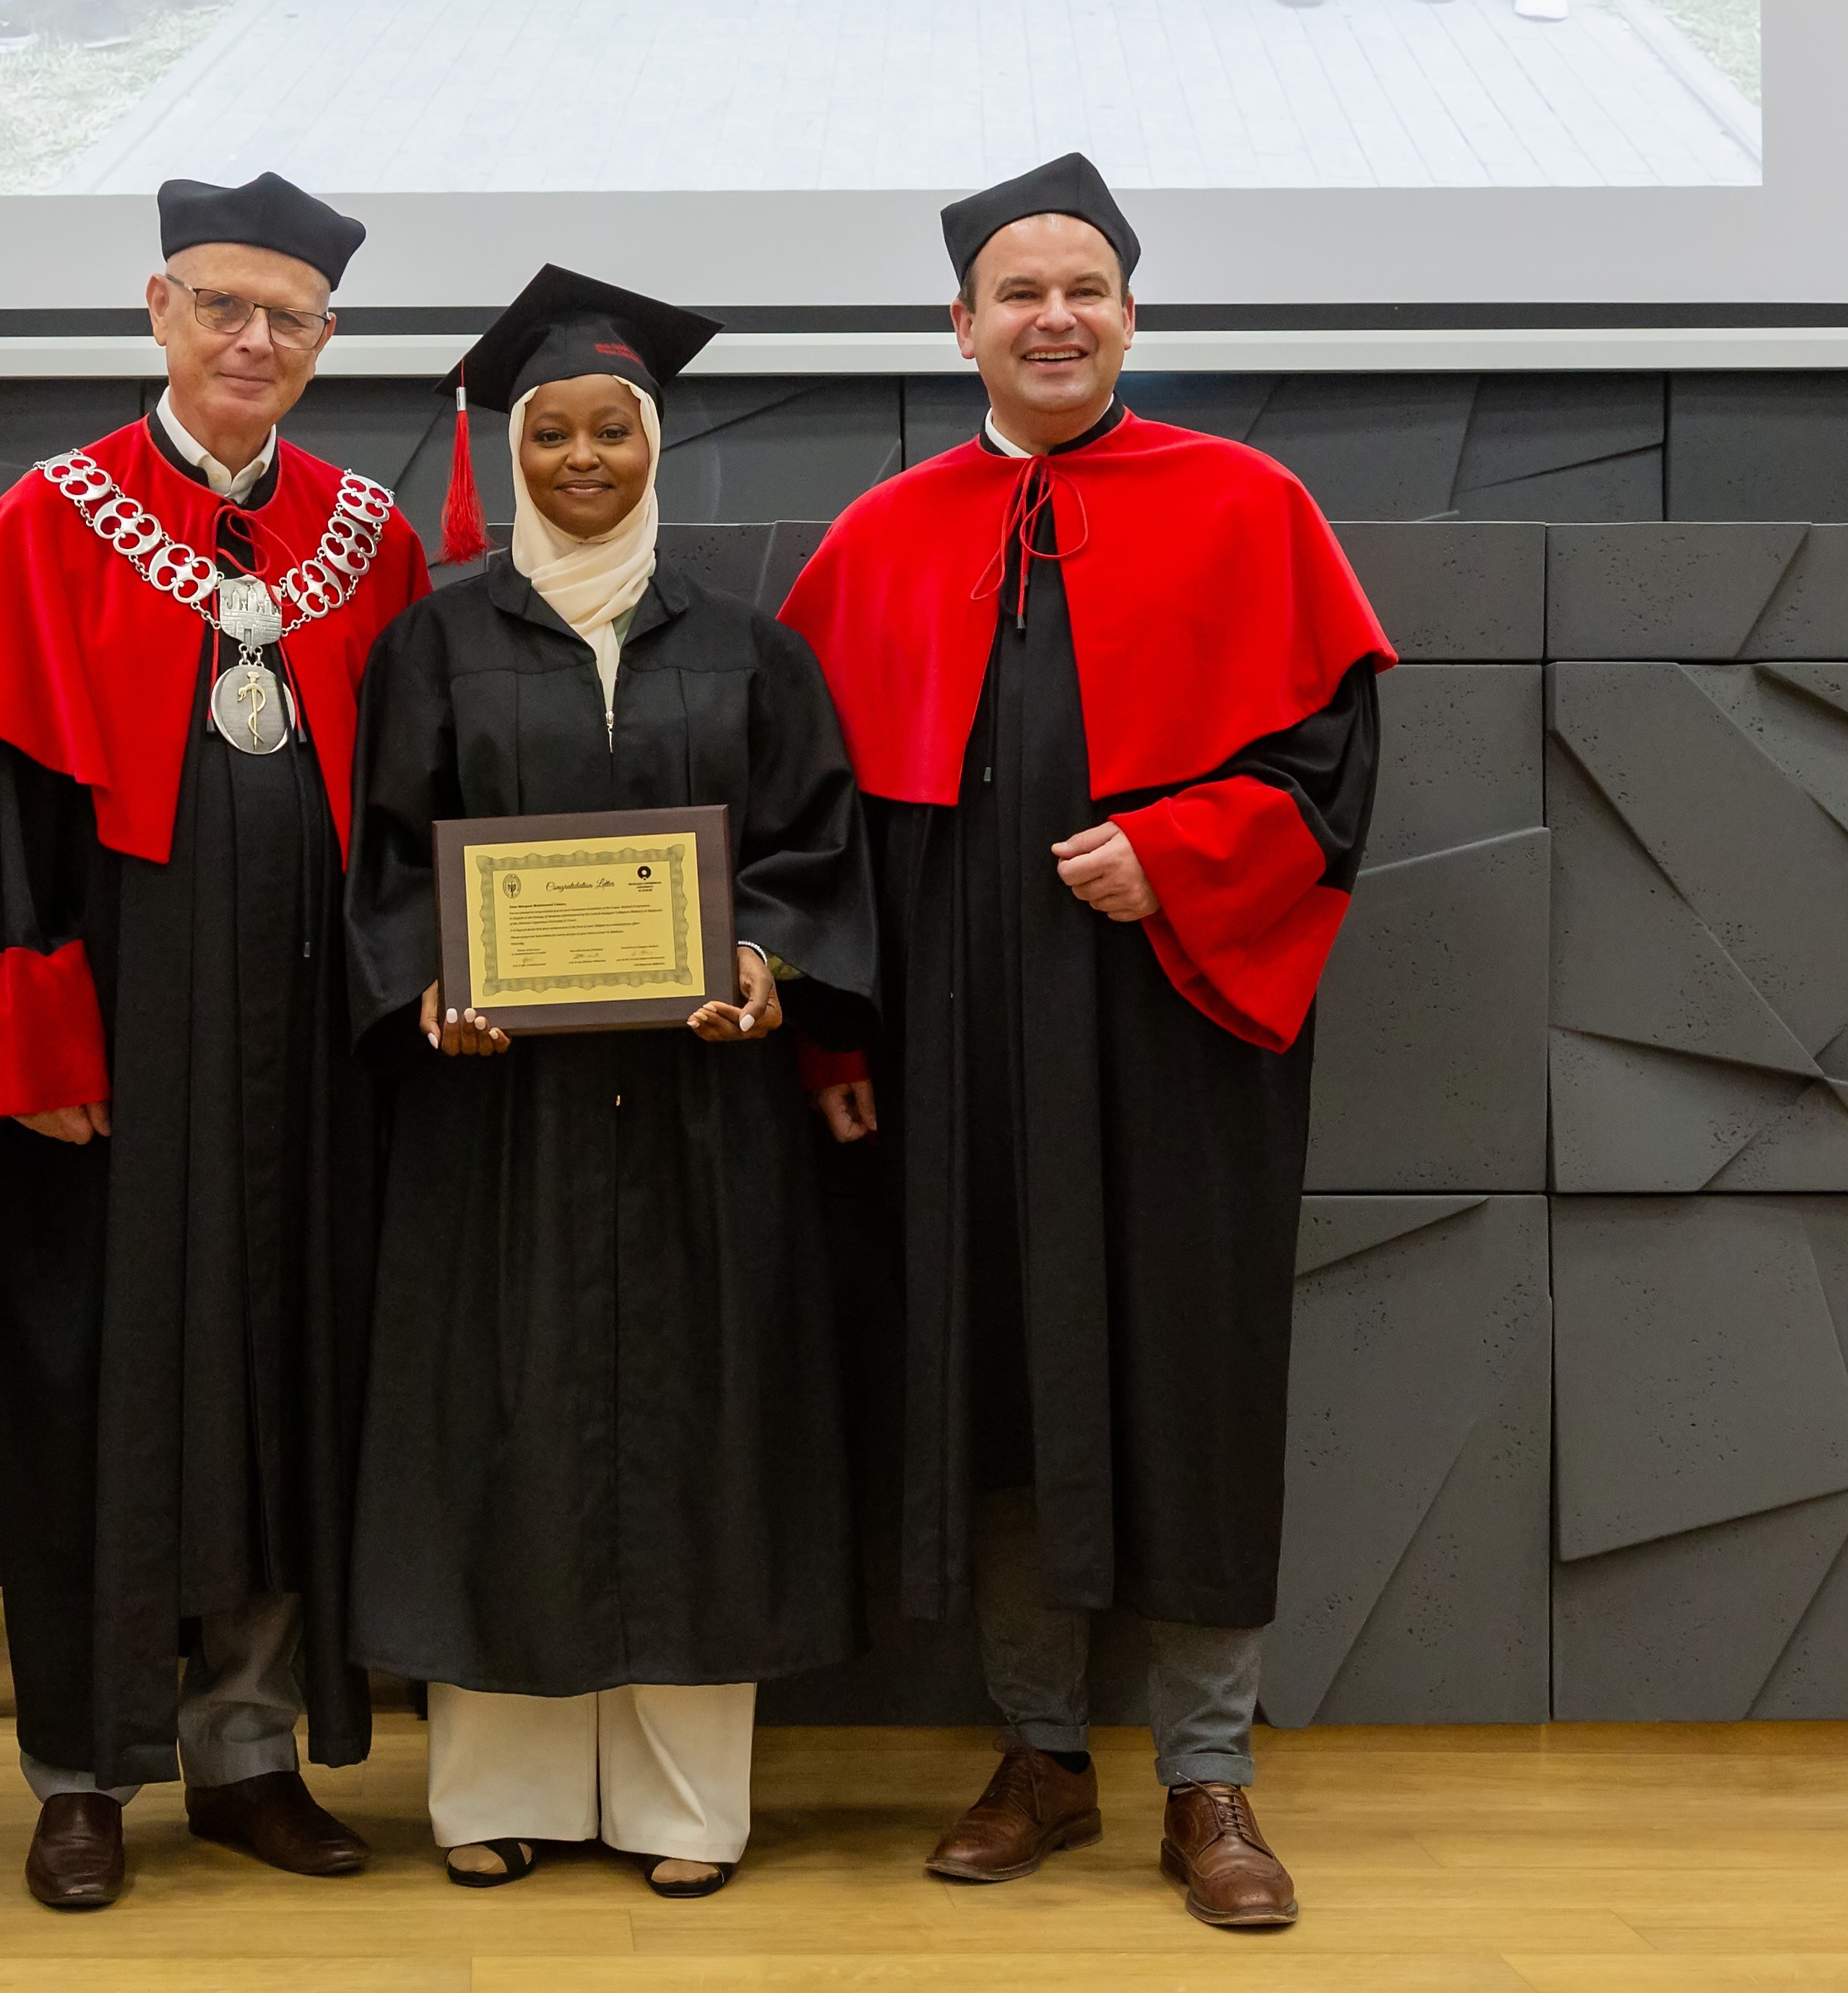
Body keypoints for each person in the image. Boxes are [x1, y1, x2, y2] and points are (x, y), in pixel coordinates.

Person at [777, 153, 1389, 1930]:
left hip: (1176, 1032)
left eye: (1084, 291)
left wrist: (1180, 853)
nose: (1053, 318)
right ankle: (1038, 1753)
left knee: (1189, 1381)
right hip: (952, 1047)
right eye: (1018, 293)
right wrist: (830, 1045)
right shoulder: (878, 538)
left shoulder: (1248, 506)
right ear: (958, 325)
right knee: (990, 1378)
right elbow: (809, 833)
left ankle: (1207, 1777)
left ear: (1129, 314)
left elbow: (1330, 776)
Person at [0, 170, 431, 1911]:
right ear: (158, 310)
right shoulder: (49, 520)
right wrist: (35, 1050)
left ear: (325, 340)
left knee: (285, 1379)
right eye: (222, 305)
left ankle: (244, 1750)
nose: (252, 338)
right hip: (118, 1055)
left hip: (308, 1057)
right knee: (103, 1395)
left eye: (287, 317)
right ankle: (82, 1769)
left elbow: (410, 814)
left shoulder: (369, 536)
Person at [343, 269, 879, 1900]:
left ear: (658, 444)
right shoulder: (435, 641)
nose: (581, 458)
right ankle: (493, 1790)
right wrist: (430, 986)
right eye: (550, 432)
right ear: (512, 451)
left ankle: (680, 1805)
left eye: (612, 430)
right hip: (497, 1116)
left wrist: (763, 963)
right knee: (498, 1423)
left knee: (694, 1430)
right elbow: (386, 857)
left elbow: (812, 848)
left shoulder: (748, 649)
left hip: (700, 1115)